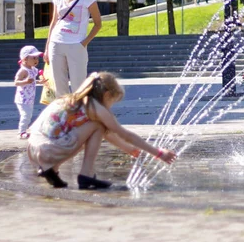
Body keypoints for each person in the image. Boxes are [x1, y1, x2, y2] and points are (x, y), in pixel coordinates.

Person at [27, 71, 177, 189]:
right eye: (112, 101)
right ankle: (85, 175)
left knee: (94, 127)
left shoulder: (70, 100)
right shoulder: (94, 107)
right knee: (98, 125)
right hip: (48, 151)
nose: (111, 105)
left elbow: (107, 134)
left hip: (33, 150)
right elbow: (124, 133)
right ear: (106, 95)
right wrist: (158, 153)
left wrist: (128, 149)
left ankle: (52, 170)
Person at [44, 0, 102, 97]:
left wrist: (83, 43)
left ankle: (80, 116)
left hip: (76, 45)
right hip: (56, 43)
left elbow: (98, 24)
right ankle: (64, 117)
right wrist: (47, 47)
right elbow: (54, 22)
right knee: (60, 88)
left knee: (79, 88)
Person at [14, 45, 47, 139]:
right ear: (25, 59)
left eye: (37, 58)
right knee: (26, 115)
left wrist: (39, 82)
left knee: (28, 115)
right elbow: (16, 82)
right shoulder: (23, 71)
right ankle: (21, 132)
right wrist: (25, 81)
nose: (36, 60)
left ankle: (24, 130)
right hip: (22, 98)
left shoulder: (33, 70)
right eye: (33, 58)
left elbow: (32, 81)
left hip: (29, 97)